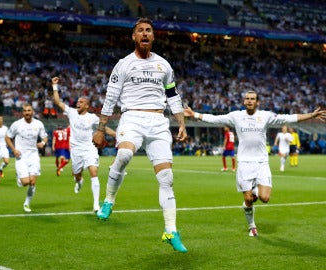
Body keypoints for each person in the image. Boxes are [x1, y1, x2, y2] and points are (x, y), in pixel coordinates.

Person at [92, 18, 188, 253]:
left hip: (158, 122)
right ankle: (109, 200)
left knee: (166, 178)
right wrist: (101, 127)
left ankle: (170, 231)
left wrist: (181, 123)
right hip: (132, 118)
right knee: (124, 154)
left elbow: (173, 95)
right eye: (140, 31)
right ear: (133, 37)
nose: (145, 34)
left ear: (153, 36)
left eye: (149, 31)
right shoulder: (124, 64)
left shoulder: (164, 65)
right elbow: (111, 96)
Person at [184, 90, 326, 237]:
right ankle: (252, 226)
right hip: (244, 163)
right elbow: (215, 119)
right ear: (244, 101)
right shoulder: (236, 116)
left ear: (257, 102)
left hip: (261, 162)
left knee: (265, 198)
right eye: (247, 99)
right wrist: (194, 114)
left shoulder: (265, 116)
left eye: (252, 99)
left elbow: (289, 118)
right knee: (248, 200)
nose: (250, 101)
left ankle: (254, 190)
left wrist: (311, 115)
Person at [52, 76, 116, 213]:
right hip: (75, 150)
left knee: (94, 172)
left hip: (89, 148)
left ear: (87, 105)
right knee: (77, 174)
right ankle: (79, 181)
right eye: (78, 101)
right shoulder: (71, 112)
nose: (78, 103)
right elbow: (57, 102)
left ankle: (96, 205)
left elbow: (103, 127)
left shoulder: (92, 117)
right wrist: (54, 86)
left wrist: (116, 135)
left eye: (81, 102)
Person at [5, 104, 48, 213]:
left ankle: (27, 203)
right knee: (25, 182)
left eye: (29, 110)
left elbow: (45, 137)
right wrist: (14, 150)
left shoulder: (38, 124)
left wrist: (43, 143)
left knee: (32, 182)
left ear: (32, 112)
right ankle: (19, 177)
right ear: (22, 112)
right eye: (25, 111)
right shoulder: (17, 124)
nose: (27, 112)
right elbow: (7, 137)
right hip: (21, 156)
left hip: (33, 155)